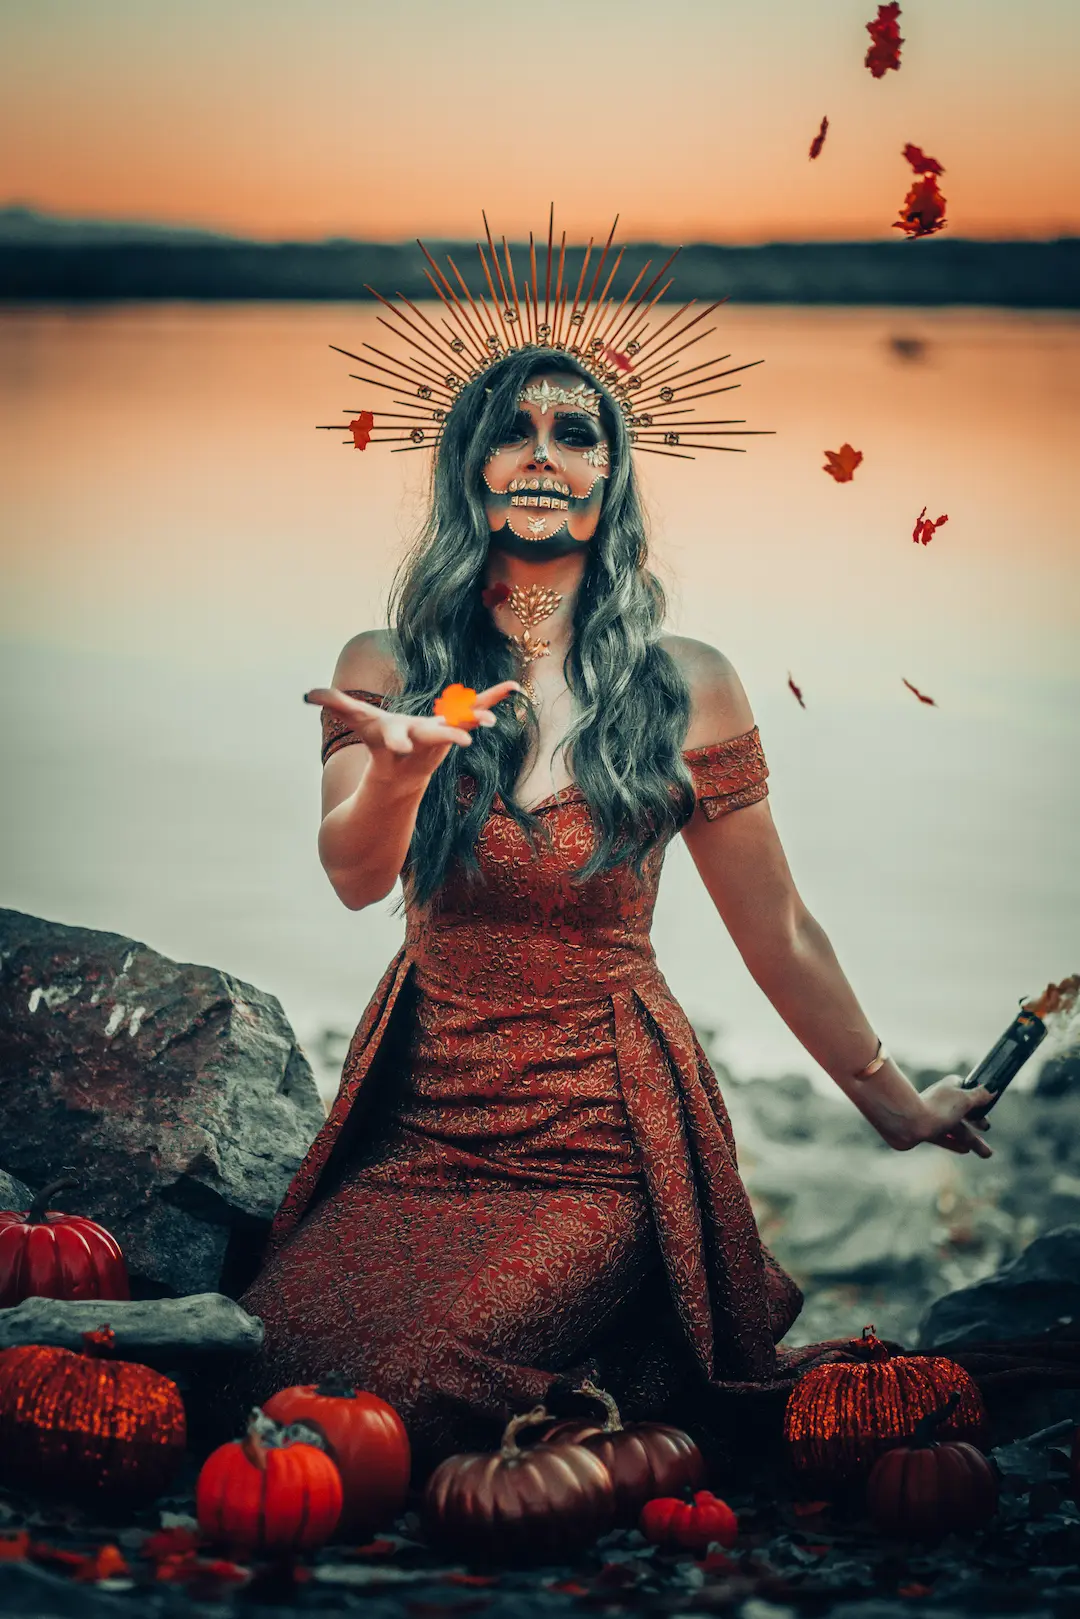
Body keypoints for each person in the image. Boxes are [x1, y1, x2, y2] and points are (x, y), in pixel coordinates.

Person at [230, 341, 996, 1473]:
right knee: (260, 1371)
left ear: (611, 473)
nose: (543, 453)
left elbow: (776, 925)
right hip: (424, 1124)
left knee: (396, 1407)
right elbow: (353, 875)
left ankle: (603, 1380)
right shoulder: (388, 663)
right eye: (513, 429)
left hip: (603, 1138)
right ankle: (596, 1394)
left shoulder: (687, 683)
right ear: (470, 466)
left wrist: (892, 1102)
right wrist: (397, 768)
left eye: (575, 432)